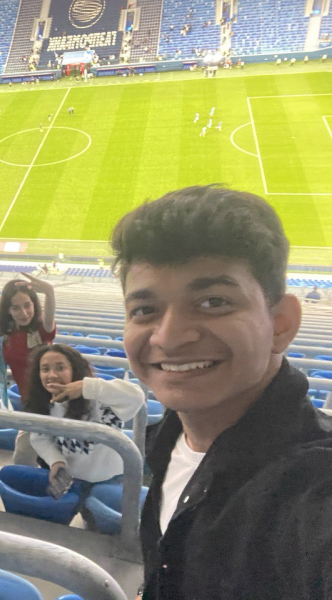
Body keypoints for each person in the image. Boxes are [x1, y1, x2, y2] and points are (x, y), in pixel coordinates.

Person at [111, 185, 332, 600]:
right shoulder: (168, 439)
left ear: (281, 324)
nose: (170, 337)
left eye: (213, 301)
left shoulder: (314, 489)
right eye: (144, 310)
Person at [26, 345, 143, 523]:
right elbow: (39, 437)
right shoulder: (42, 403)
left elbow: (136, 397)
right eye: (45, 369)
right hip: (73, 479)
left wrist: (87, 387)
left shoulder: (100, 398)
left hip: (111, 479)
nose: (52, 375)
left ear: (75, 369)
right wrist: (56, 460)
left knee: (103, 526)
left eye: (60, 368)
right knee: (86, 521)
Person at [0, 275, 56, 465]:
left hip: (53, 402)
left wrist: (49, 292)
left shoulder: (41, 327)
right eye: (15, 307)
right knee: (26, 457)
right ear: (7, 310)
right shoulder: (2, 327)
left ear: (34, 304)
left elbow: (49, 323)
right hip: (31, 402)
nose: (24, 313)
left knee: (28, 456)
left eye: (27, 305)